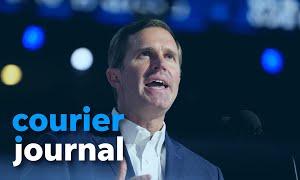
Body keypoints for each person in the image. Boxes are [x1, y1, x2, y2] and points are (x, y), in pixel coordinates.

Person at [21, 19, 224, 180]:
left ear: (179, 77)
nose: (160, 63)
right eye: (146, 54)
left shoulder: (207, 174)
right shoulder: (63, 153)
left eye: (170, 56)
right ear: (115, 77)